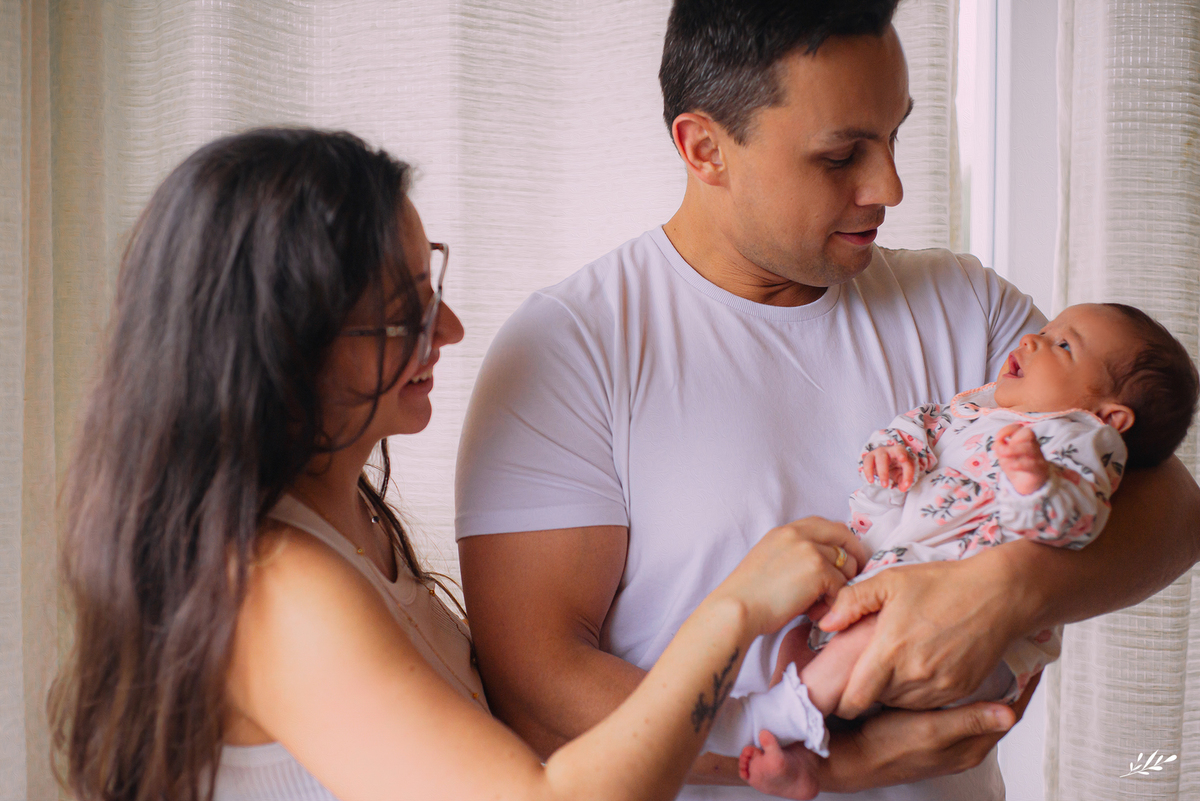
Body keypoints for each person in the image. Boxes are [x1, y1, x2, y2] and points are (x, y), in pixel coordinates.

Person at [453, 2, 1200, 799]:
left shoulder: (968, 306)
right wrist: (839, 759)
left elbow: (1171, 506)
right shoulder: (572, 347)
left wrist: (1003, 591)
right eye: (842, 155)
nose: (890, 186)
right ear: (704, 148)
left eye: (894, 135)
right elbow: (537, 686)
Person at [48, 127, 871, 801]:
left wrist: (783, 737)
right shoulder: (275, 587)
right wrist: (732, 611)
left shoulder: (356, 521)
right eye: (400, 312)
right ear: (280, 343)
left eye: (428, 287)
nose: (448, 329)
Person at [737, 302, 1200, 795]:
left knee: (852, 650)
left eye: (1063, 345)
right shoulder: (972, 409)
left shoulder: (1078, 442)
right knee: (797, 640)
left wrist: (1036, 484)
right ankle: (800, 760)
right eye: (1045, 331)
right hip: (884, 591)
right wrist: (894, 451)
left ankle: (767, 720)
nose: (1031, 340)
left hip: (972, 649)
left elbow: (1080, 521)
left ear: (1108, 415)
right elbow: (918, 425)